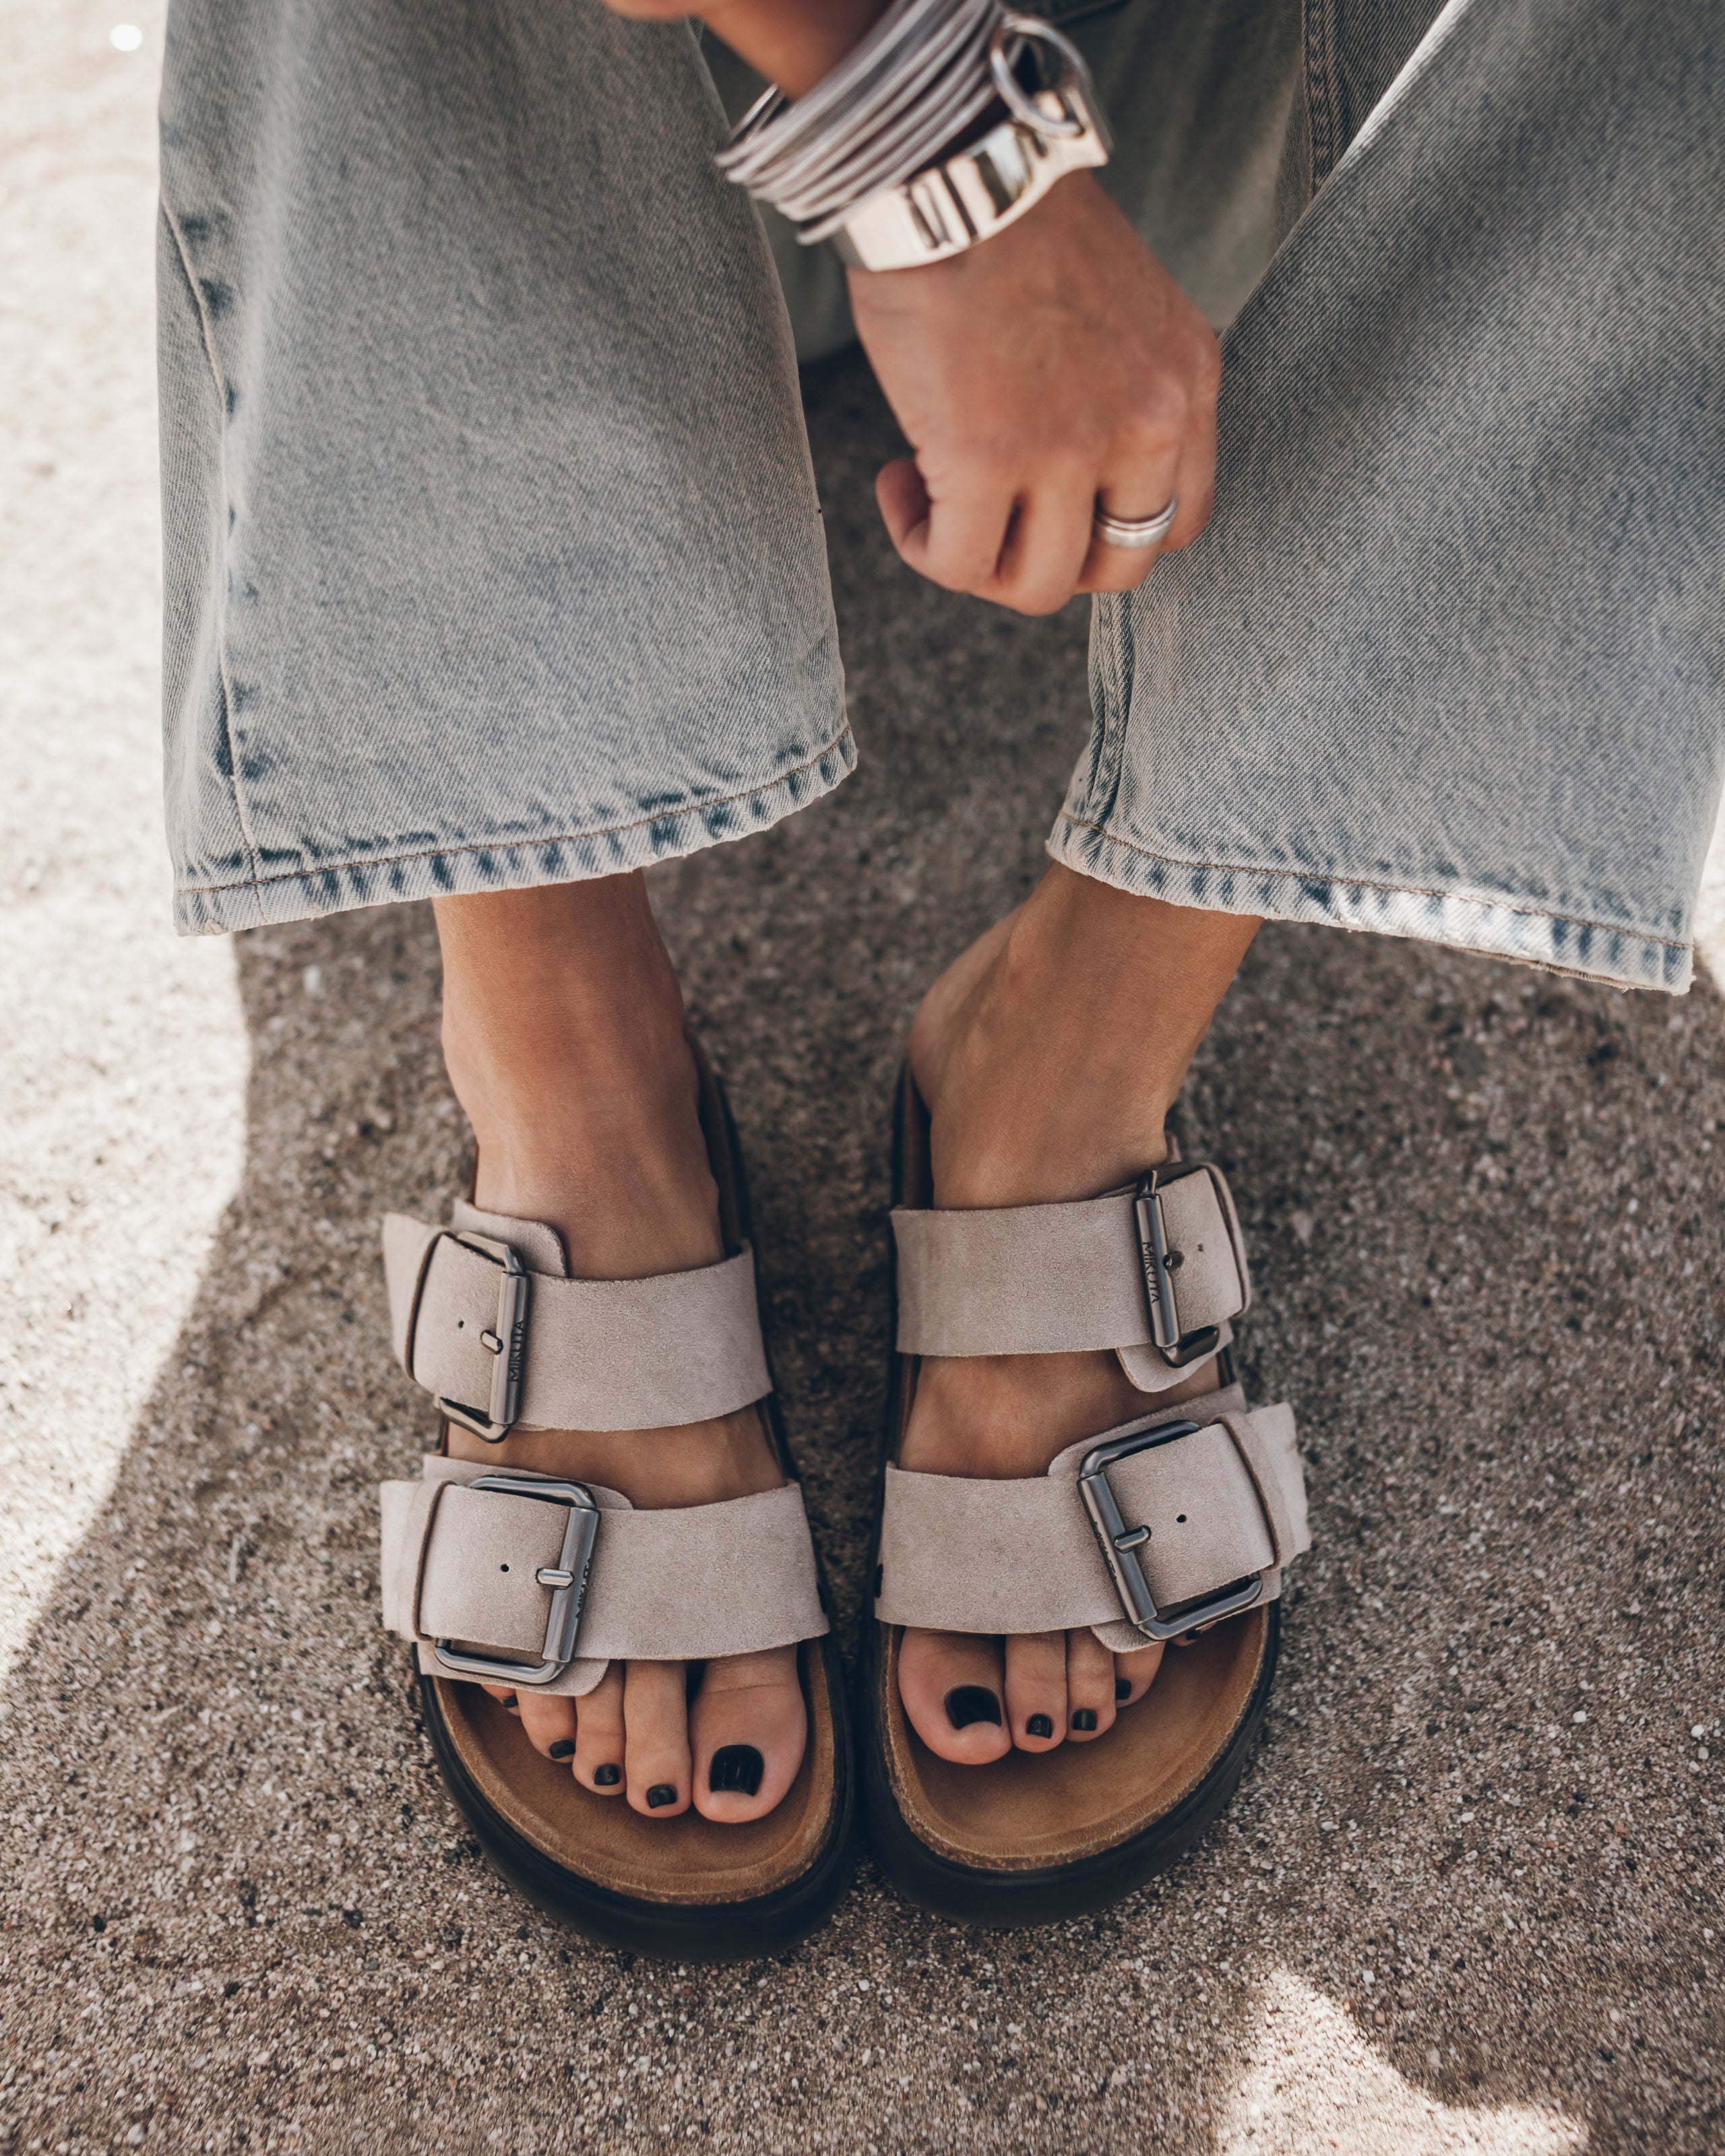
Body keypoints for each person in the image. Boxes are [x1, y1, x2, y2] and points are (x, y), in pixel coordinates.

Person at [157, 0, 1723, 1949]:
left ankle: (1073, 1044)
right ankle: (560, 1045)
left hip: (1260, 164)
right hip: (646, 141)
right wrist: (933, 151)